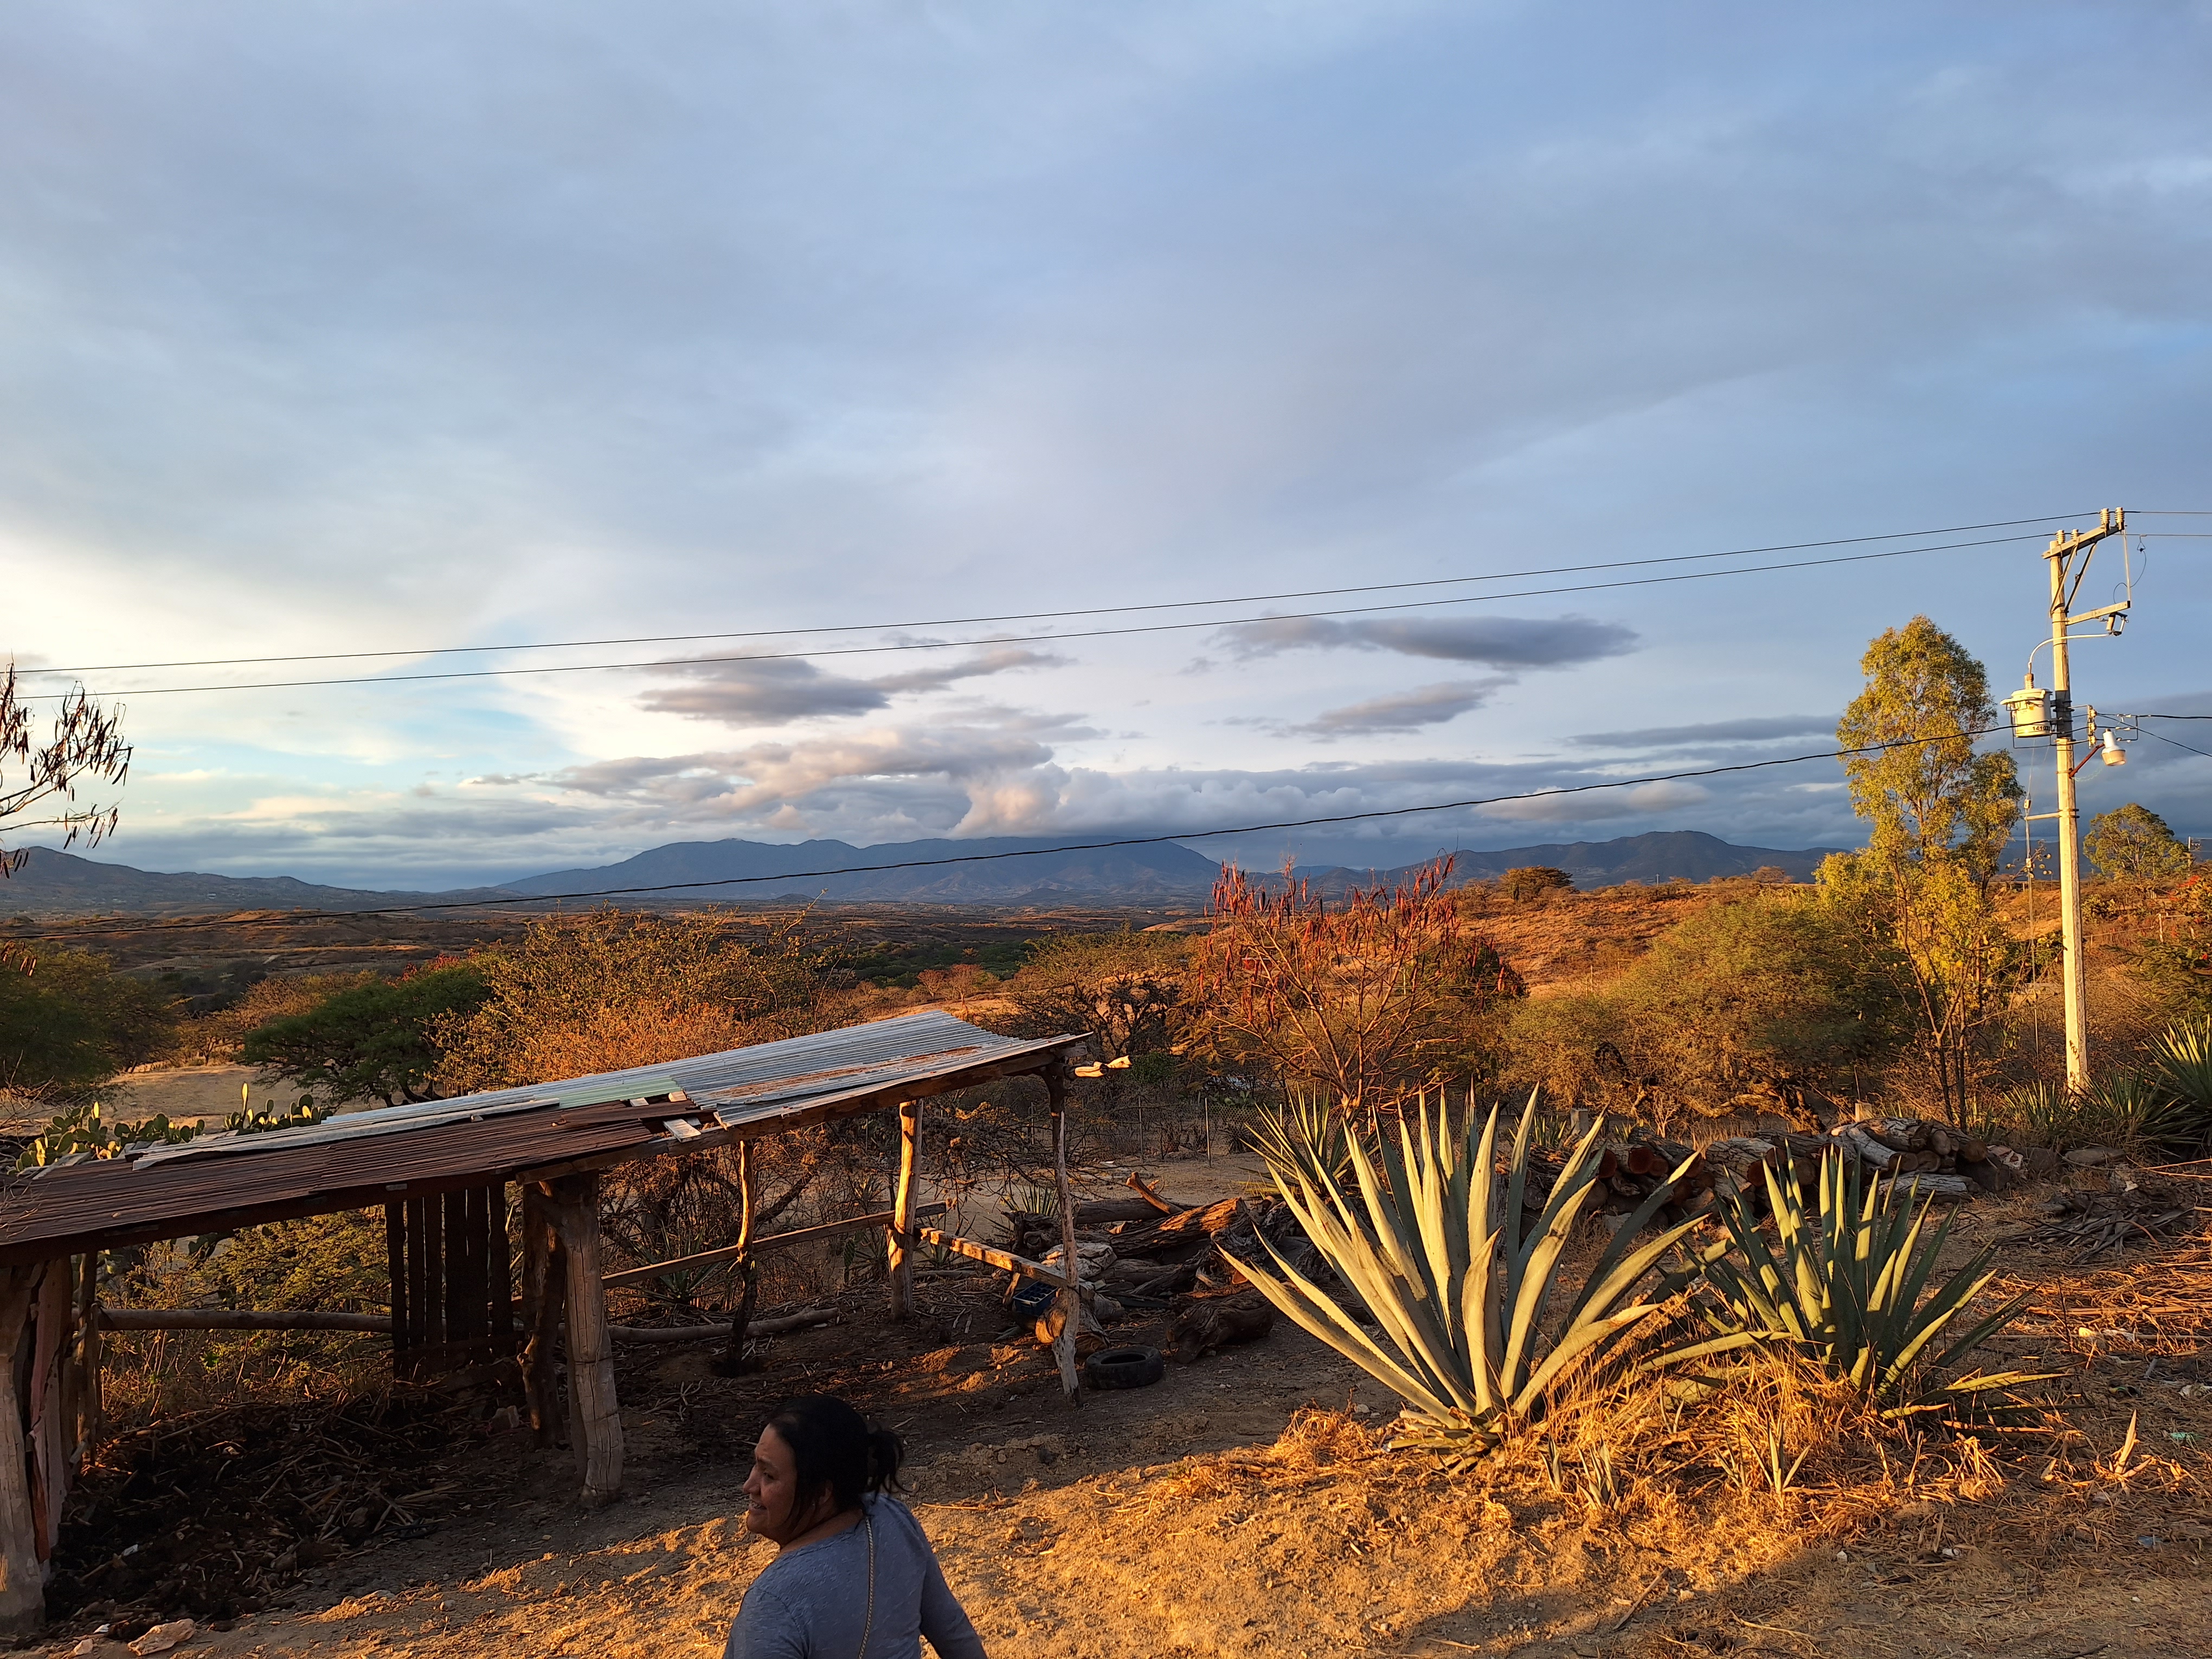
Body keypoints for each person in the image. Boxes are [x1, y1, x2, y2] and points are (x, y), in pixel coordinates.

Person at [725, 1393, 987, 1659]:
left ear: (821, 1494)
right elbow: (953, 1632)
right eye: (756, 1467)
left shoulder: (773, 1602)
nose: (749, 1486)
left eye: (768, 1475)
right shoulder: (891, 1519)